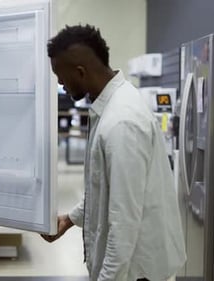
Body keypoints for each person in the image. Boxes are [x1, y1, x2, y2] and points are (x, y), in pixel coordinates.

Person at [41, 24, 186, 281]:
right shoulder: (110, 106)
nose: (61, 84)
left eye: (60, 75)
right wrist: (70, 219)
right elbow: (103, 185)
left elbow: (124, 221)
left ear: (81, 71)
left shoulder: (122, 122)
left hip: (137, 272)